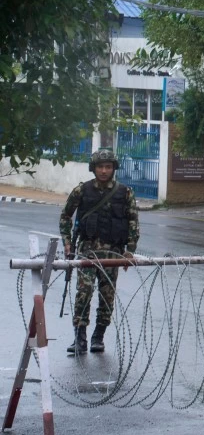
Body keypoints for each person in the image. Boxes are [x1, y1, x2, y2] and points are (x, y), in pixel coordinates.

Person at [58, 149, 140, 356]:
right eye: (100, 167)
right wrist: (67, 242)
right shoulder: (82, 191)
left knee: (107, 296)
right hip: (87, 252)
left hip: (113, 254)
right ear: (93, 168)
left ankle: (98, 337)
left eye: (108, 167)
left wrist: (130, 252)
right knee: (83, 294)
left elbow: (133, 222)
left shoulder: (125, 192)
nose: (104, 171)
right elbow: (66, 216)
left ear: (113, 168)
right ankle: (80, 338)